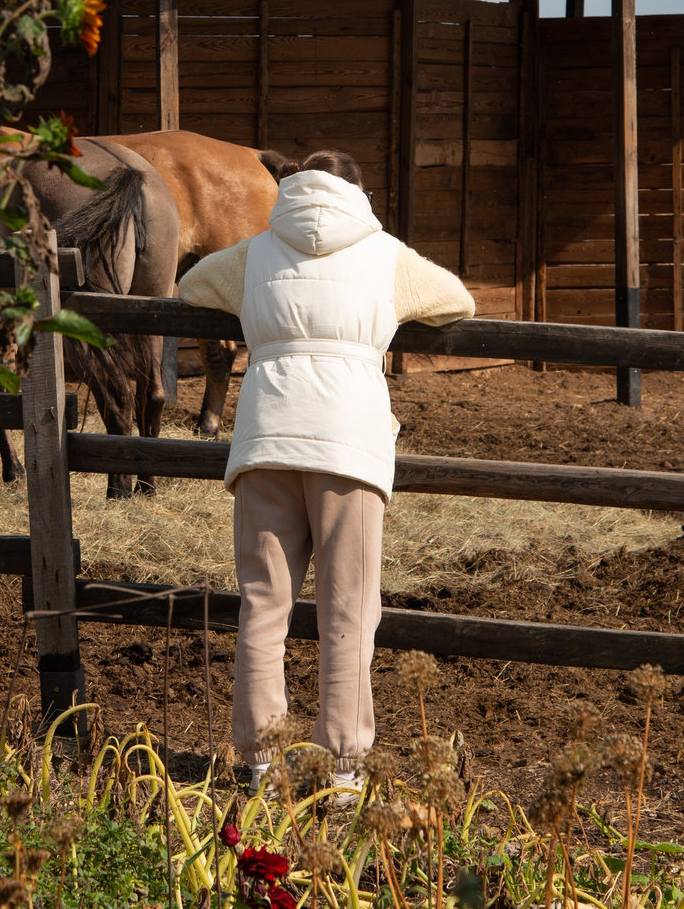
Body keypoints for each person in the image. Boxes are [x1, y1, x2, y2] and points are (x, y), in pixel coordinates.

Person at [174, 148, 475, 794]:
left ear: (288, 187)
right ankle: (341, 768)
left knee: (263, 604)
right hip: (349, 443)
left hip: (266, 438)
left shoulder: (252, 252)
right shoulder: (384, 253)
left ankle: (258, 760)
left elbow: (189, 287)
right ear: (358, 192)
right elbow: (457, 300)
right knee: (348, 609)